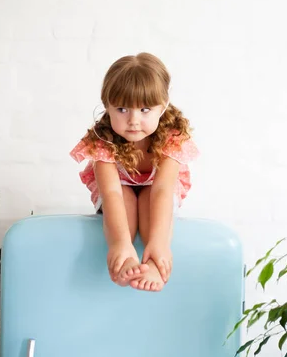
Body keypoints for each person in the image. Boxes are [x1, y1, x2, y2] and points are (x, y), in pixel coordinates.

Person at [70, 52, 199, 292]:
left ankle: (152, 263)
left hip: (158, 186)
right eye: (121, 109)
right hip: (119, 186)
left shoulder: (172, 135)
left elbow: (162, 189)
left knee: (152, 197)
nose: (133, 120)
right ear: (107, 106)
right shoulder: (103, 137)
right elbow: (111, 194)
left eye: (145, 110)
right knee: (125, 198)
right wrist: (120, 244)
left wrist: (159, 243)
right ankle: (124, 261)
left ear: (163, 107)